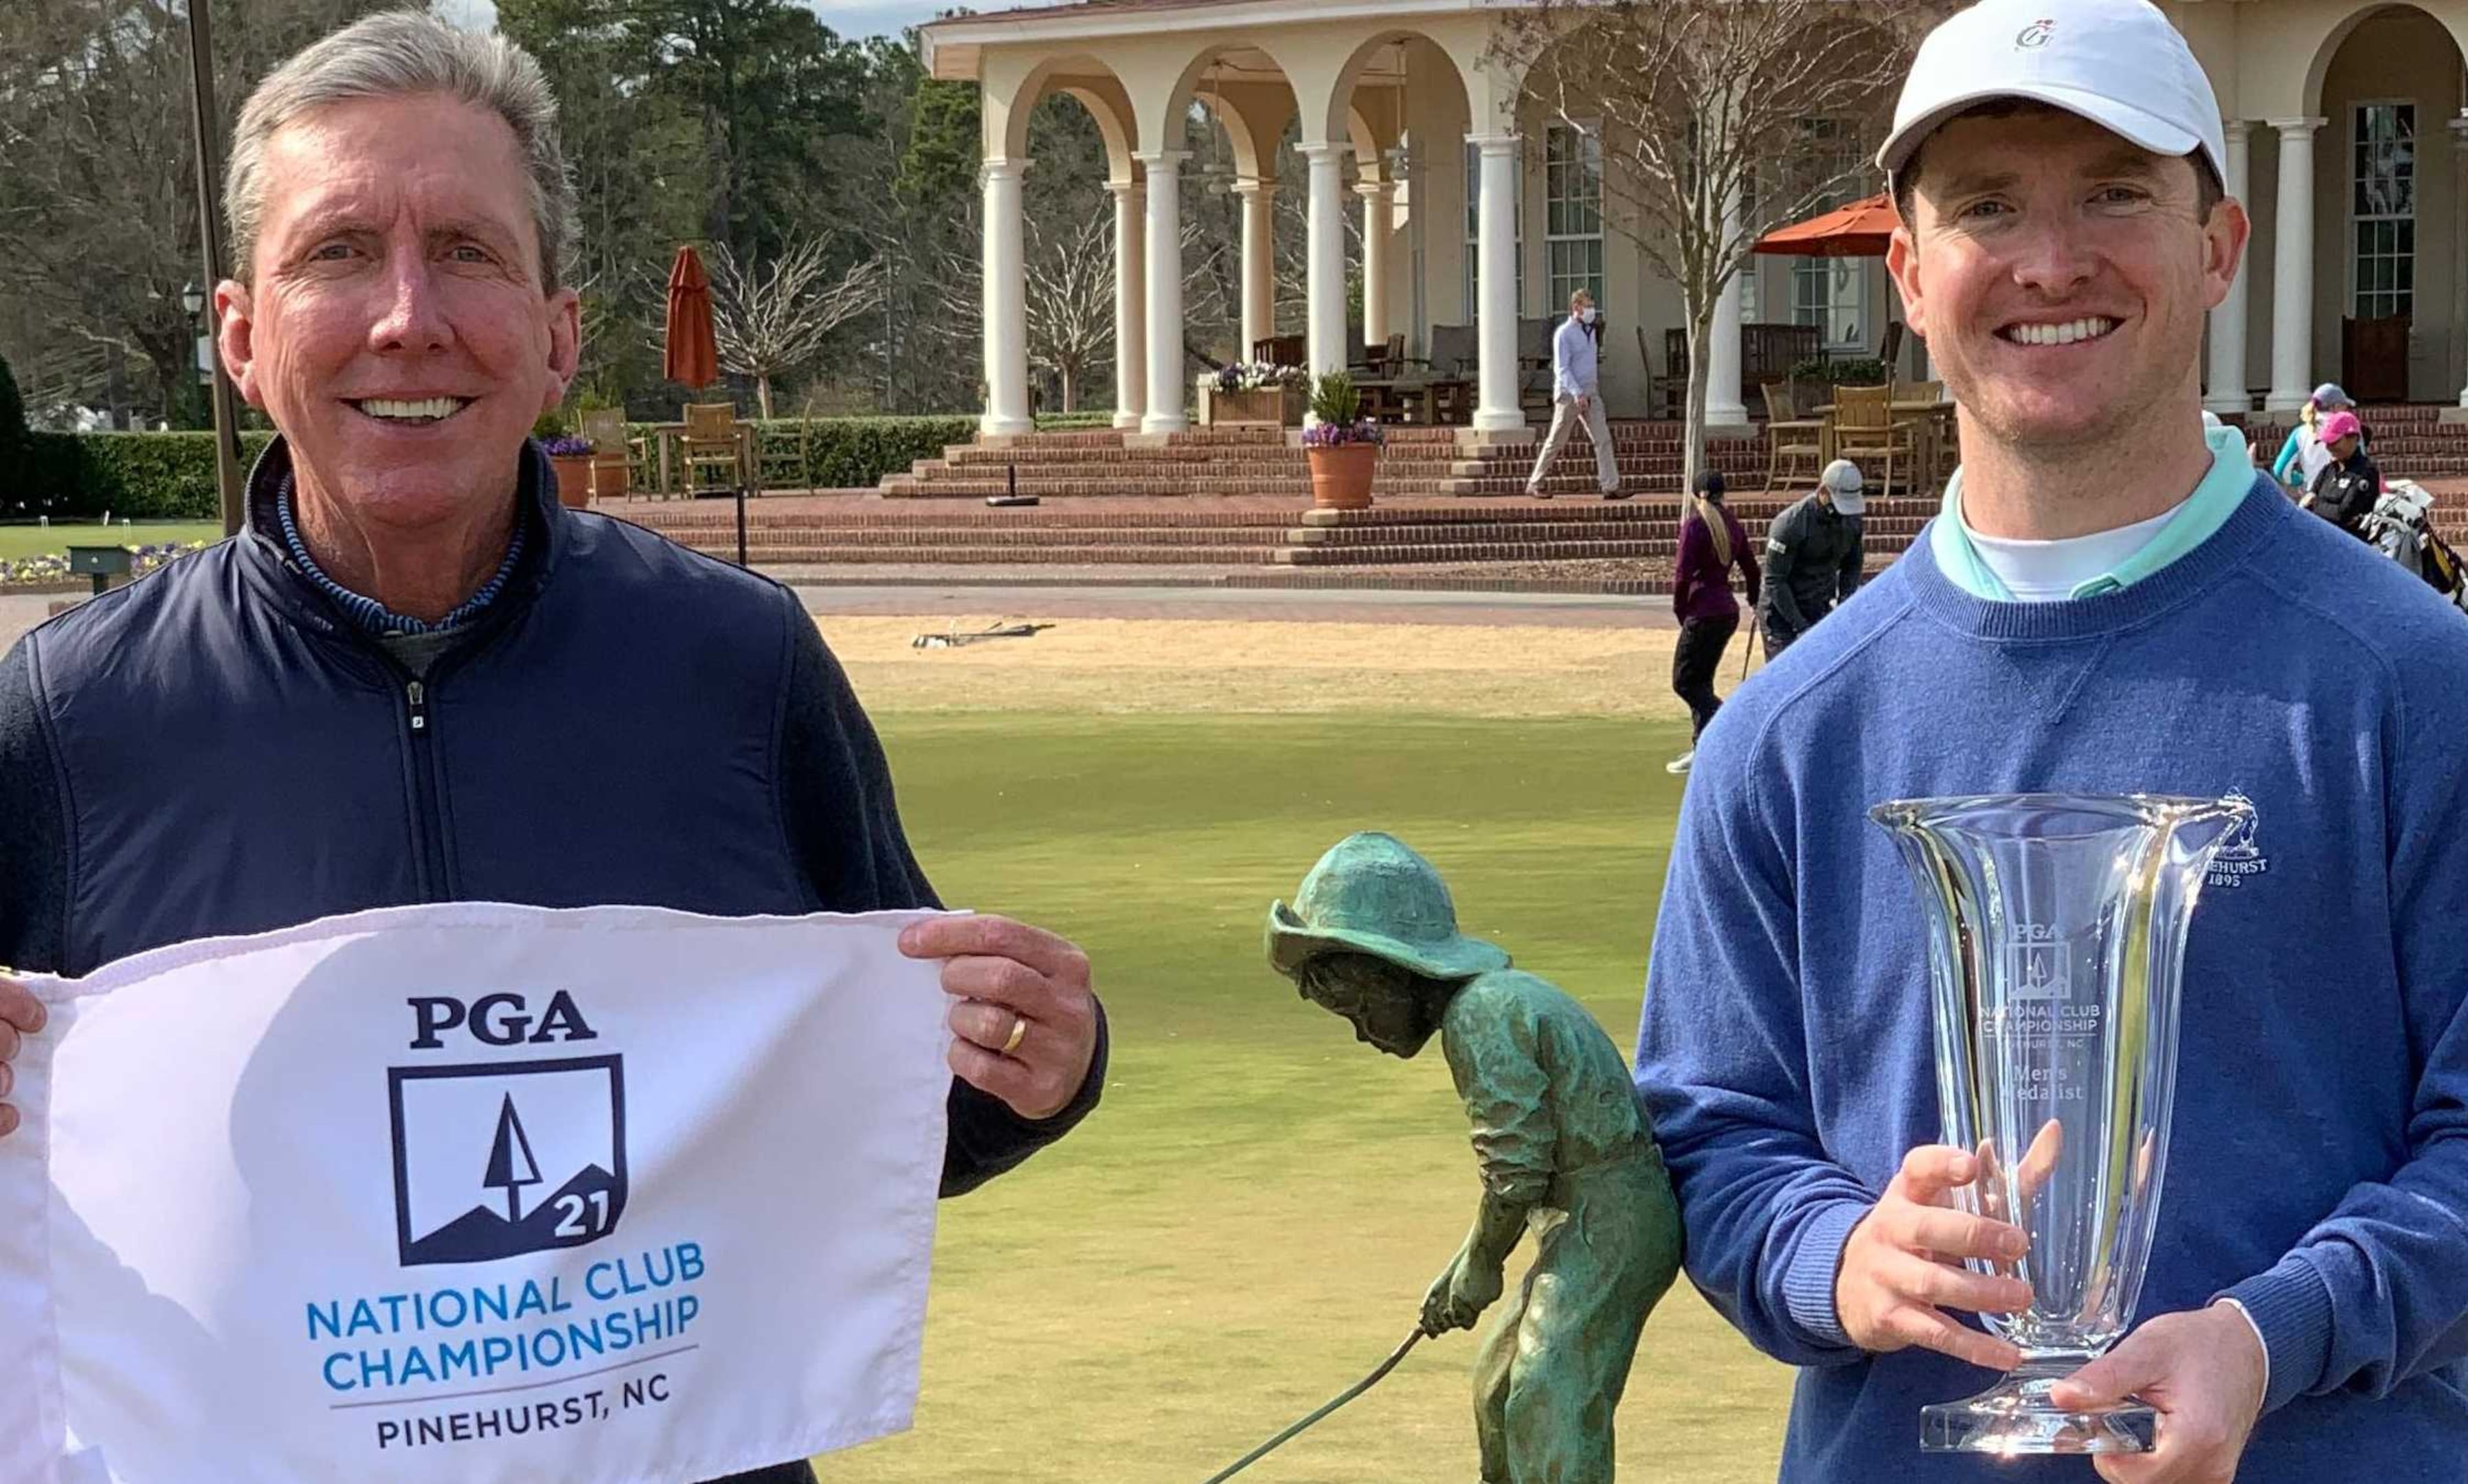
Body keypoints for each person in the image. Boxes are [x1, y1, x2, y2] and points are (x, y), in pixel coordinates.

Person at [0, 17, 1106, 1484]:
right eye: (338, 253)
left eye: (466, 249)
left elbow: (861, 1102)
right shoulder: (71, 723)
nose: (408, 316)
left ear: (558, 336)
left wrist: (1036, 1067)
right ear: (242, 337)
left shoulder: (738, 668)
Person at [1635, 1, 2468, 1482]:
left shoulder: (2416, 687)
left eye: (2115, 194)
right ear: (1909, 271)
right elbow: (1710, 1135)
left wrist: (2272, 1331)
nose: (2052, 262)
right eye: (1988, 207)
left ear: (2217, 247)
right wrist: (1837, 1254)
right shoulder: (1786, 731)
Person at [1268, 833, 1681, 1484]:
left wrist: (1483, 1264)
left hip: (1613, 1217)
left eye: (1358, 1007)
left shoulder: (1483, 1015)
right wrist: (1465, 1263)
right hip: (1581, 1216)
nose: (1360, 1031)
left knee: (1550, 1389)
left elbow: (1516, 1176)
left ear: (1395, 972)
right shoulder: (1490, 1005)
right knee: (1498, 1382)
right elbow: (1521, 1178)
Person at [1668, 469, 1766, 775]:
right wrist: (1753, 599)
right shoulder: (1732, 524)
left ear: (1697, 495)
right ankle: (1704, 748)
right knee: (1702, 681)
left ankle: (1727, 724)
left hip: (1703, 612)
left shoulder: (1695, 526)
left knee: (1684, 682)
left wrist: (1681, 611)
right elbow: (1751, 568)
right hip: (1726, 611)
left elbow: (1682, 576)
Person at [1758, 459, 1868, 662]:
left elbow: (1853, 565)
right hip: (1781, 613)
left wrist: (1845, 602)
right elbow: (1775, 581)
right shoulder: (1790, 525)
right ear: (1823, 492)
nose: (1841, 514)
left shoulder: (1852, 521)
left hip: (1819, 605)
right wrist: (1800, 627)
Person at [1525, 289, 1625, 499]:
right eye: (1587, 305)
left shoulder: (1590, 332)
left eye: (1592, 305)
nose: (1591, 310)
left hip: (1591, 392)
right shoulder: (1564, 333)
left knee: (1603, 438)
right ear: (1576, 307)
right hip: (1570, 395)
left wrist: (1590, 390)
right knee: (1557, 440)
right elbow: (1562, 369)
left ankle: (1610, 485)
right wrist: (1577, 392)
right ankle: (1535, 482)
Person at [2304, 409, 2381, 532]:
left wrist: (2315, 504)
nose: (2329, 447)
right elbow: (2306, 503)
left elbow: (2343, 514)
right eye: (2327, 442)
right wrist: (2321, 505)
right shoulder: (2328, 470)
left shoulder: (2365, 472)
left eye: (2334, 441)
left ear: (2353, 438)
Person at [2270, 382, 2355, 493]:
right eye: (2345, 406)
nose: (2347, 410)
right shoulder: (2350, 429)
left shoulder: (2300, 433)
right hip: (2342, 493)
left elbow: (2280, 470)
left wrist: (2302, 480)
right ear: (2336, 407)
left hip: (2312, 495)